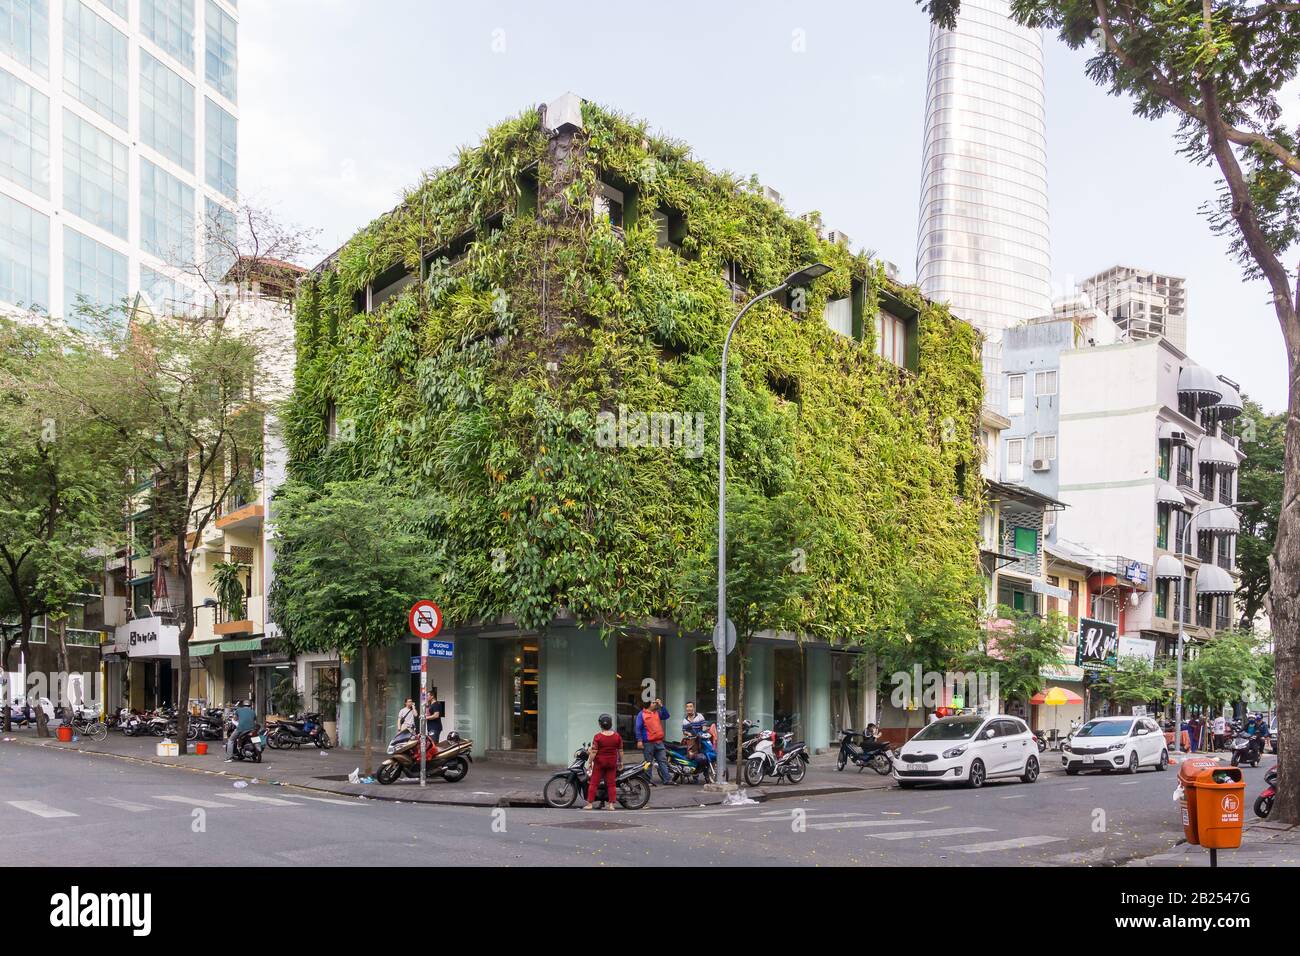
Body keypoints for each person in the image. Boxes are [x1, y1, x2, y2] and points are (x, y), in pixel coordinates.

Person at [585, 713, 622, 810]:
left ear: (600, 724)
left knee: (594, 783)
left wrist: (589, 762)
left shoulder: (598, 737)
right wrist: (621, 762)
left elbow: (594, 751)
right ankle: (611, 805)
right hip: (612, 763)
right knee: (611, 784)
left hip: (599, 763)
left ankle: (589, 804)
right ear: (611, 724)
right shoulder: (617, 736)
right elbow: (620, 751)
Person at [635, 698, 672, 785]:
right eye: (653, 703)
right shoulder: (641, 714)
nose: (655, 704)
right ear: (648, 704)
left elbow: (666, 716)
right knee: (648, 762)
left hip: (659, 742)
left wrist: (661, 705)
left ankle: (667, 780)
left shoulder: (657, 713)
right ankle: (647, 781)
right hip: (648, 742)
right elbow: (638, 728)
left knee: (663, 761)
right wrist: (639, 740)